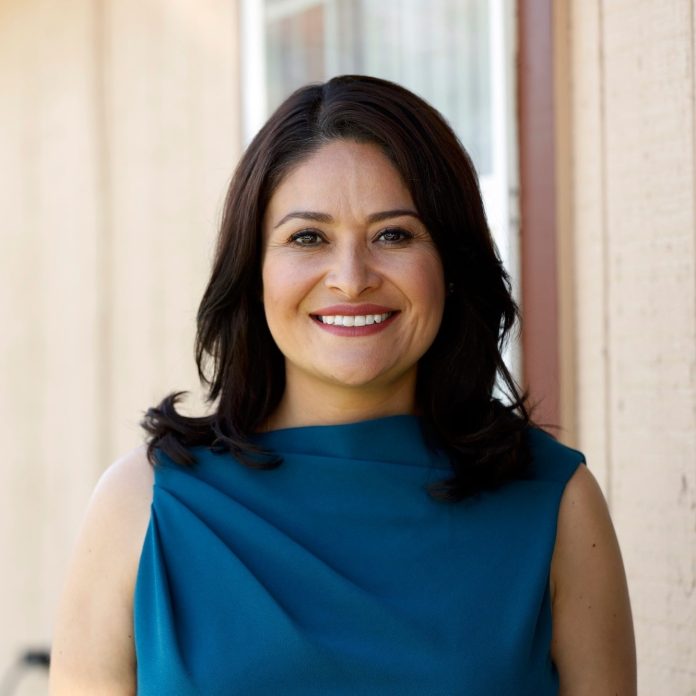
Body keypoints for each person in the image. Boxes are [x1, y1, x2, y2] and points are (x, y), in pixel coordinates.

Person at [50, 75, 636, 695]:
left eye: (395, 235)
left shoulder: (557, 506)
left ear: (452, 267)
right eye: (308, 237)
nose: (351, 279)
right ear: (253, 273)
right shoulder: (142, 507)